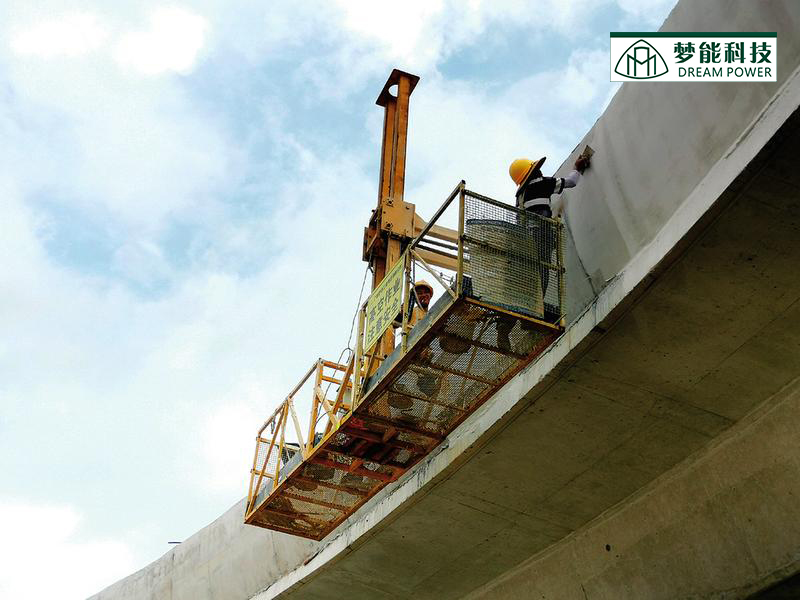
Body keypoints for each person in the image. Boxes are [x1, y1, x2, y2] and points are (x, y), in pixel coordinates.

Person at [495, 154, 591, 351]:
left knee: (520, 284)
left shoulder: (519, 196)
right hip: (540, 238)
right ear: (532, 173)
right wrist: (577, 167)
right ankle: (531, 317)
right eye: (536, 169)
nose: (540, 171)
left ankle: (505, 327)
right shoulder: (542, 183)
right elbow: (571, 182)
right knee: (541, 277)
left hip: (522, 242)